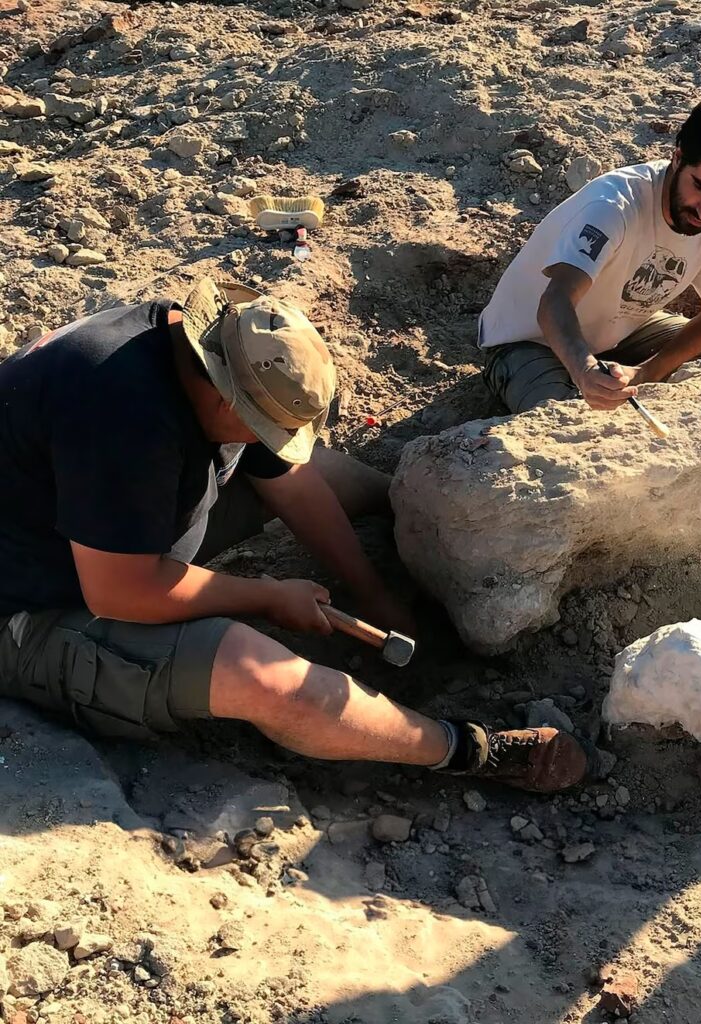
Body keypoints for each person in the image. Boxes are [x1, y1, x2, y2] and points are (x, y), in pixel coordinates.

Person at [0, 278, 586, 792]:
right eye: (258, 427)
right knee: (260, 674)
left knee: (304, 472)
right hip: (36, 608)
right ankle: (465, 748)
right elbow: (121, 592)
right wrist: (268, 595)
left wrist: (376, 595)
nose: (261, 440)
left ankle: (413, 507)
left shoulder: (204, 349)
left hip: (87, 525)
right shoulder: (121, 417)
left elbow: (296, 484)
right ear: (225, 392)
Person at [481, 90, 701, 414]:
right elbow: (555, 299)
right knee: (570, 417)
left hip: (618, 338)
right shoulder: (614, 206)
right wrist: (586, 372)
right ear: (677, 157)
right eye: (699, 187)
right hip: (528, 341)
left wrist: (645, 372)